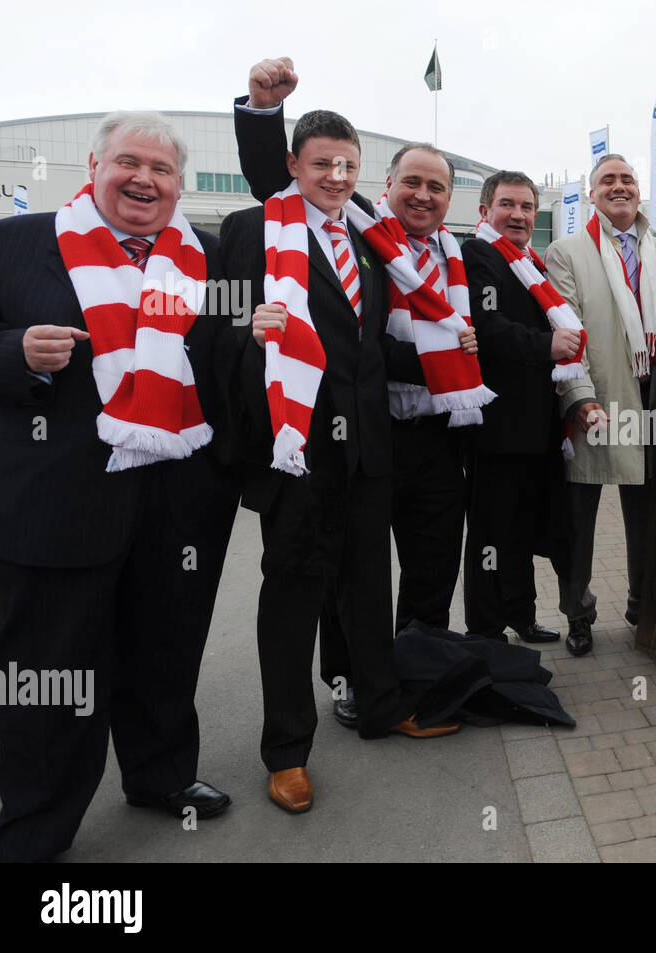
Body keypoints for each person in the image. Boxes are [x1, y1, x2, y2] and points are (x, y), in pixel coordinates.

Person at [0, 111, 240, 860]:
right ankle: (34, 825)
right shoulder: (15, 243)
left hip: (178, 499)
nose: (145, 179)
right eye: (129, 162)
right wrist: (14, 354)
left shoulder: (212, 258)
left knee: (166, 646)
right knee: (49, 668)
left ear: (179, 185)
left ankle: (161, 775)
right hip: (58, 499)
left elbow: (234, 364)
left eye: (163, 170)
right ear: (92, 168)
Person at [220, 105, 460, 816]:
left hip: (368, 449)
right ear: (293, 165)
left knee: (367, 586)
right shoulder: (255, 229)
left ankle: (383, 705)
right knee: (293, 596)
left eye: (347, 165)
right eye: (321, 162)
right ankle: (287, 751)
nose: (336, 175)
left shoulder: (370, 240)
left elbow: (372, 351)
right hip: (298, 448)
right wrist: (247, 330)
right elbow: (222, 326)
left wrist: (453, 358)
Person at [544, 154, 656, 656]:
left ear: (638, 192)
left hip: (652, 401)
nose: (618, 187)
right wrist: (579, 397)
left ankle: (643, 607)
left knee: (647, 516)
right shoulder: (566, 252)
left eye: (627, 179)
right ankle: (578, 613)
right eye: (607, 180)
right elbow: (566, 329)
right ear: (592, 194)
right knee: (580, 522)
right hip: (596, 398)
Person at [462, 171, 583, 645]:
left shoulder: (529, 262)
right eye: (508, 205)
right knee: (492, 534)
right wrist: (546, 345)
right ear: (485, 211)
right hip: (498, 427)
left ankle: (521, 615)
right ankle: (486, 628)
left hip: (536, 427)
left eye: (527, 207)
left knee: (523, 529)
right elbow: (486, 327)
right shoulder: (479, 255)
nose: (518, 215)